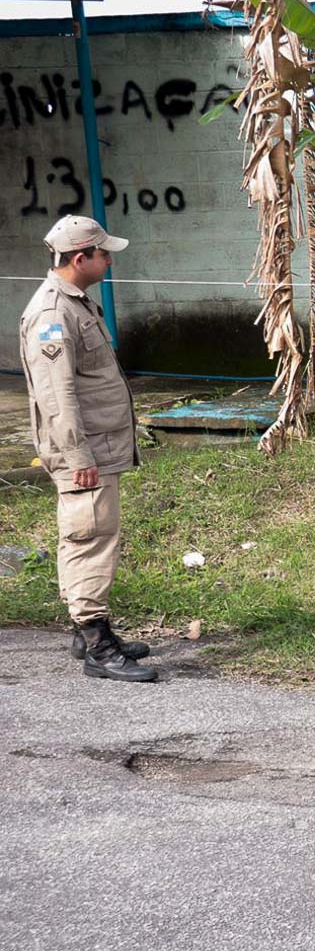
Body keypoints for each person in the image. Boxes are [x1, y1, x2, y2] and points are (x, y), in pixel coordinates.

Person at [19, 216, 154, 682]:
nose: (109, 259)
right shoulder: (53, 314)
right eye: (103, 253)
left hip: (97, 444)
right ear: (81, 259)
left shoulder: (76, 302)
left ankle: (87, 631)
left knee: (84, 534)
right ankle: (97, 644)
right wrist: (79, 458)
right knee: (91, 536)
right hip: (86, 451)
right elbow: (57, 397)